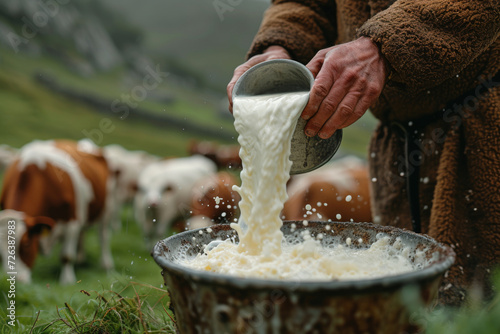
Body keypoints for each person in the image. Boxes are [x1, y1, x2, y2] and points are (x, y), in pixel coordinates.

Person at [227, 0, 500, 306]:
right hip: (396, 144)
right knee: (407, 305)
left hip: (482, 126)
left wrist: (386, 44)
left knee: (482, 305)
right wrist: (282, 45)